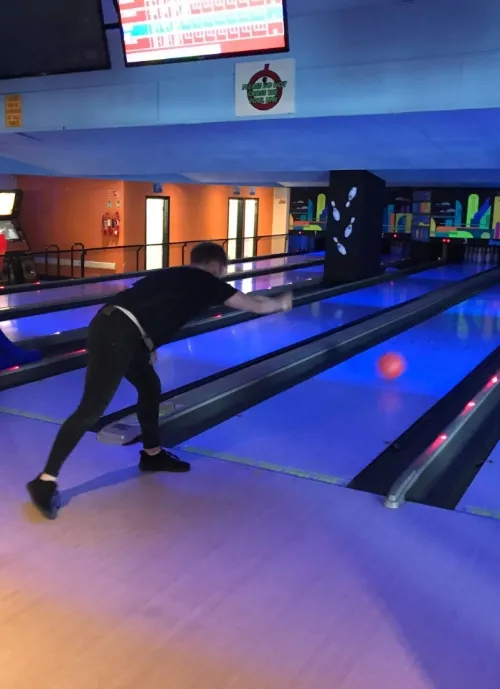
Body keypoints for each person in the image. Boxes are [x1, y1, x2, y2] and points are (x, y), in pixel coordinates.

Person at [27, 242, 292, 519]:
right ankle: (45, 480)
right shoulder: (207, 281)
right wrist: (280, 303)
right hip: (119, 336)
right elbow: (253, 305)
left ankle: (152, 454)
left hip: (116, 328)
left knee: (149, 386)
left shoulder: (171, 274)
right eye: (222, 270)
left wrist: (147, 345)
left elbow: (149, 305)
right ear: (217, 266)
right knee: (91, 408)